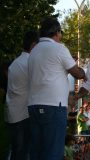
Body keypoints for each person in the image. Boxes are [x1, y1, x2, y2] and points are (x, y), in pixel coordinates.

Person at [27, 17, 85, 160]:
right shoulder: (59, 48)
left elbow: (49, 71)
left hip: (33, 106)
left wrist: (68, 61)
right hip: (53, 107)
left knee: (37, 151)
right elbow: (77, 73)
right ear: (57, 32)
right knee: (53, 152)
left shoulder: (34, 51)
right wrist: (83, 71)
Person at [6, 31, 39, 160]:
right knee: (24, 154)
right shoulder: (29, 63)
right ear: (34, 45)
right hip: (23, 115)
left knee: (16, 152)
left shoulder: (14, 63)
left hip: (12, 114)